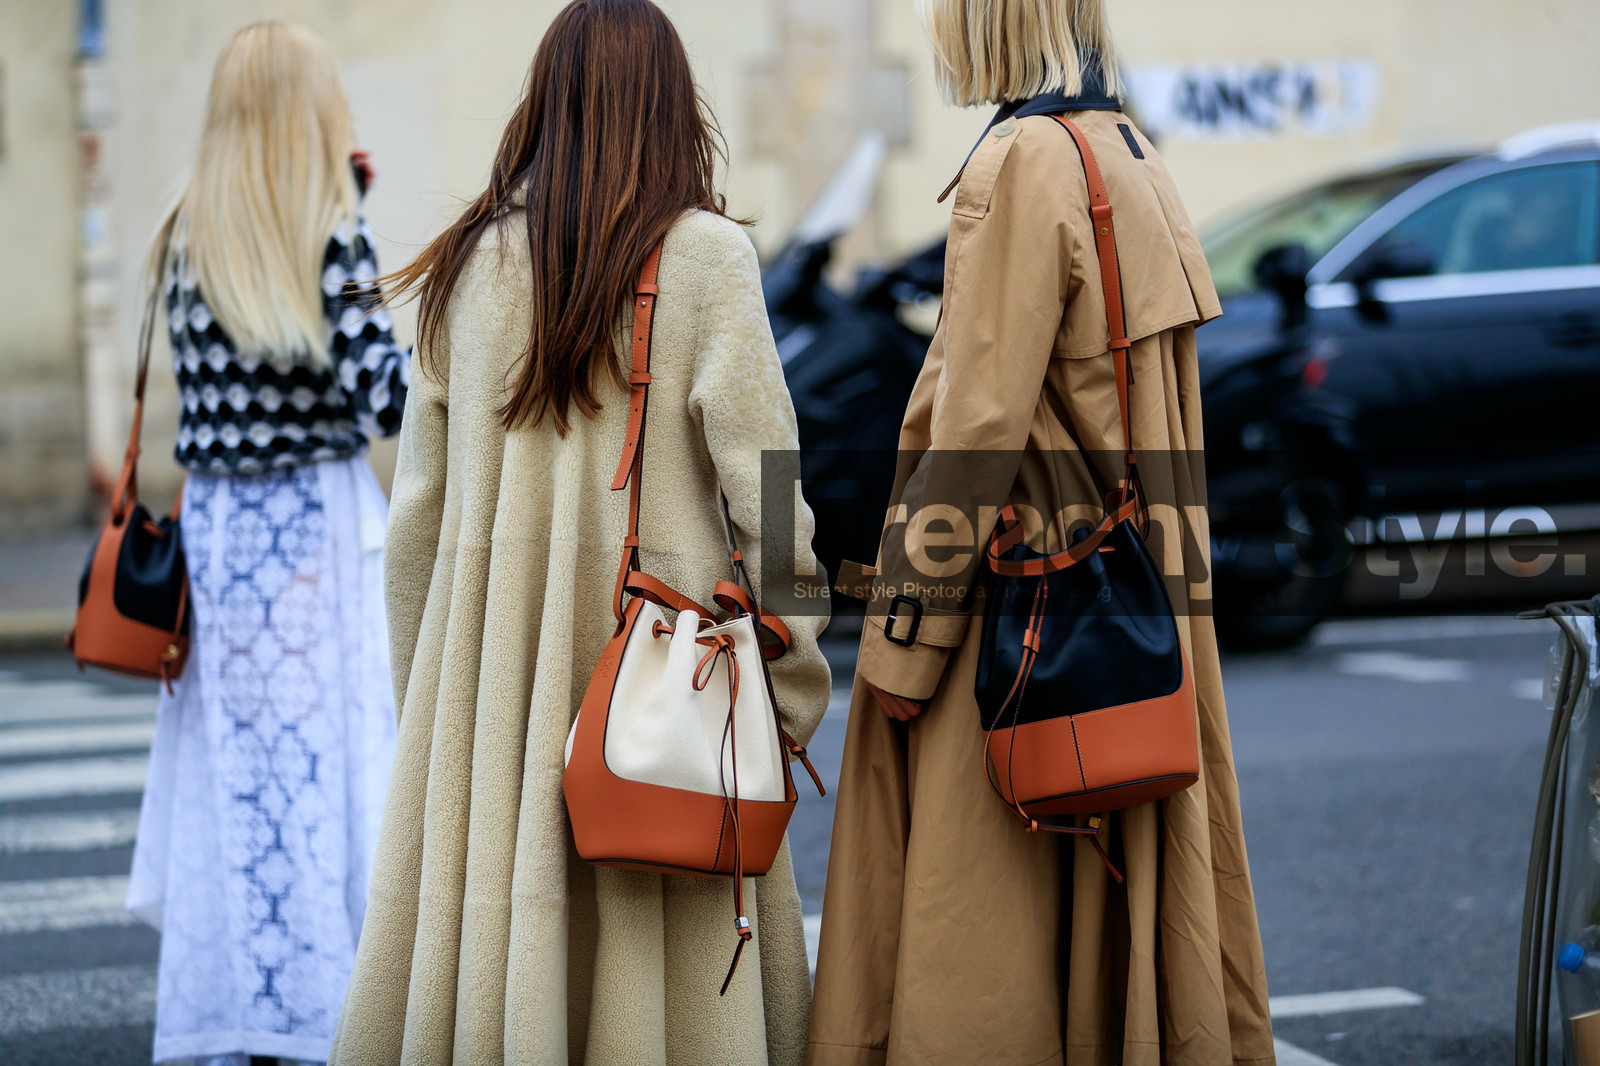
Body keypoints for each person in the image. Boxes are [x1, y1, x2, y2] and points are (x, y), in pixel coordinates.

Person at [326, 1, 831, 1063]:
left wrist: (440, 695)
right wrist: (791, 676)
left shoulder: (466, 262)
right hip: (665, 679)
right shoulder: (706, 256)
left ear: (544, 101)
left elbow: (416, 515)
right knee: (661, 979)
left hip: (489, 679)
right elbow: (770, 490)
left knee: (502, 967)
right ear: (669, 104)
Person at [806, 2, 1277, 1064]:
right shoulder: (1127, 147)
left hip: (1017, 603)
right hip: (1134, 593)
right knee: (1122, 887)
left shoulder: (1020, 160)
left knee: (973, 921)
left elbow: (976, 425)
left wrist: (906, 637)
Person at [125, 21, 408, 1066]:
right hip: (312, 528)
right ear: (310, 107)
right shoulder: (328, 227)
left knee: (240, 777)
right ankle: (334, 1006)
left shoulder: (185, 229)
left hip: (220, 530)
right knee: (335, 766)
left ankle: (245, 1005)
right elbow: (385, 398)